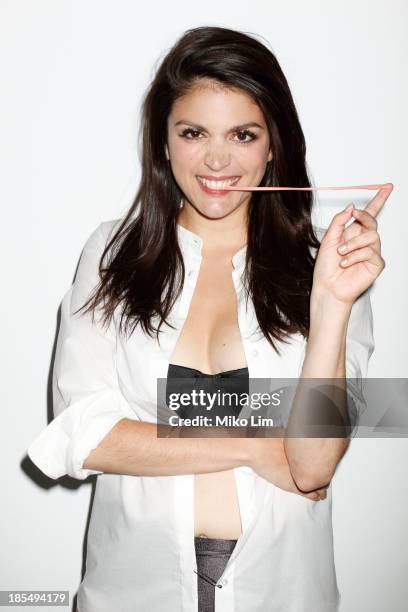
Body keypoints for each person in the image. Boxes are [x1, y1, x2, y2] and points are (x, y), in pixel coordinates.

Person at [27, 25, 392, 612]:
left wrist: (331, 306)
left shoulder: (326, 266)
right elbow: (85, 433)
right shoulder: (113, 253)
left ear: (273, 145)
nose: (217, 159)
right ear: (163, 143)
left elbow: (313, 464)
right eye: (193, 132)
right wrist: (253, 444)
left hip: (282, 588)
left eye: (243, 134)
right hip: (135, 586)